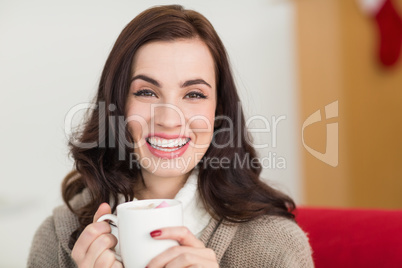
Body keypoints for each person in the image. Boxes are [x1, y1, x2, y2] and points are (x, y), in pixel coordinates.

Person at [28, 5, 314, 268]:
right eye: (146, 92)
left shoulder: (277, 246)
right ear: (116, 105)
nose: (168, 119)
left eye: (193, 94)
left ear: (219, 112)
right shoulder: (58, 238)